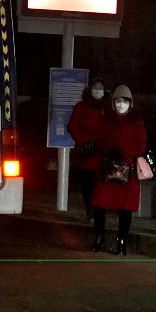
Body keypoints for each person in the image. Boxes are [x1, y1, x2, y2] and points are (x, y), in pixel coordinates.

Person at [90, 85, 147, 255]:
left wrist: (124, 152)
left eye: (125, 101)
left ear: (131, 103)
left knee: (125, 207)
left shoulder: (137, 122)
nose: (121, 105)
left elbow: (141, 145)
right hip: (107, 168)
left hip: (127, 170)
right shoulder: (106, 119)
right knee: (99, 203)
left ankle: (122, 239)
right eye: (118, 101)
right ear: (113, 102)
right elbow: (99, 139)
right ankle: (99, 236)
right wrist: (108, 150)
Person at [67, 78, 108, 221]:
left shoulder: (107, 107)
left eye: (101, 87)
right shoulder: (82, 106)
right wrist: (86, 141)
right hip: (87, 153)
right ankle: (90, 209)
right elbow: (72, 126)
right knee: (88, 184)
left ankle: (98, 210)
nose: (98, 90)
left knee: (101, 185)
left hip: (102, 153)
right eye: (95, 87)